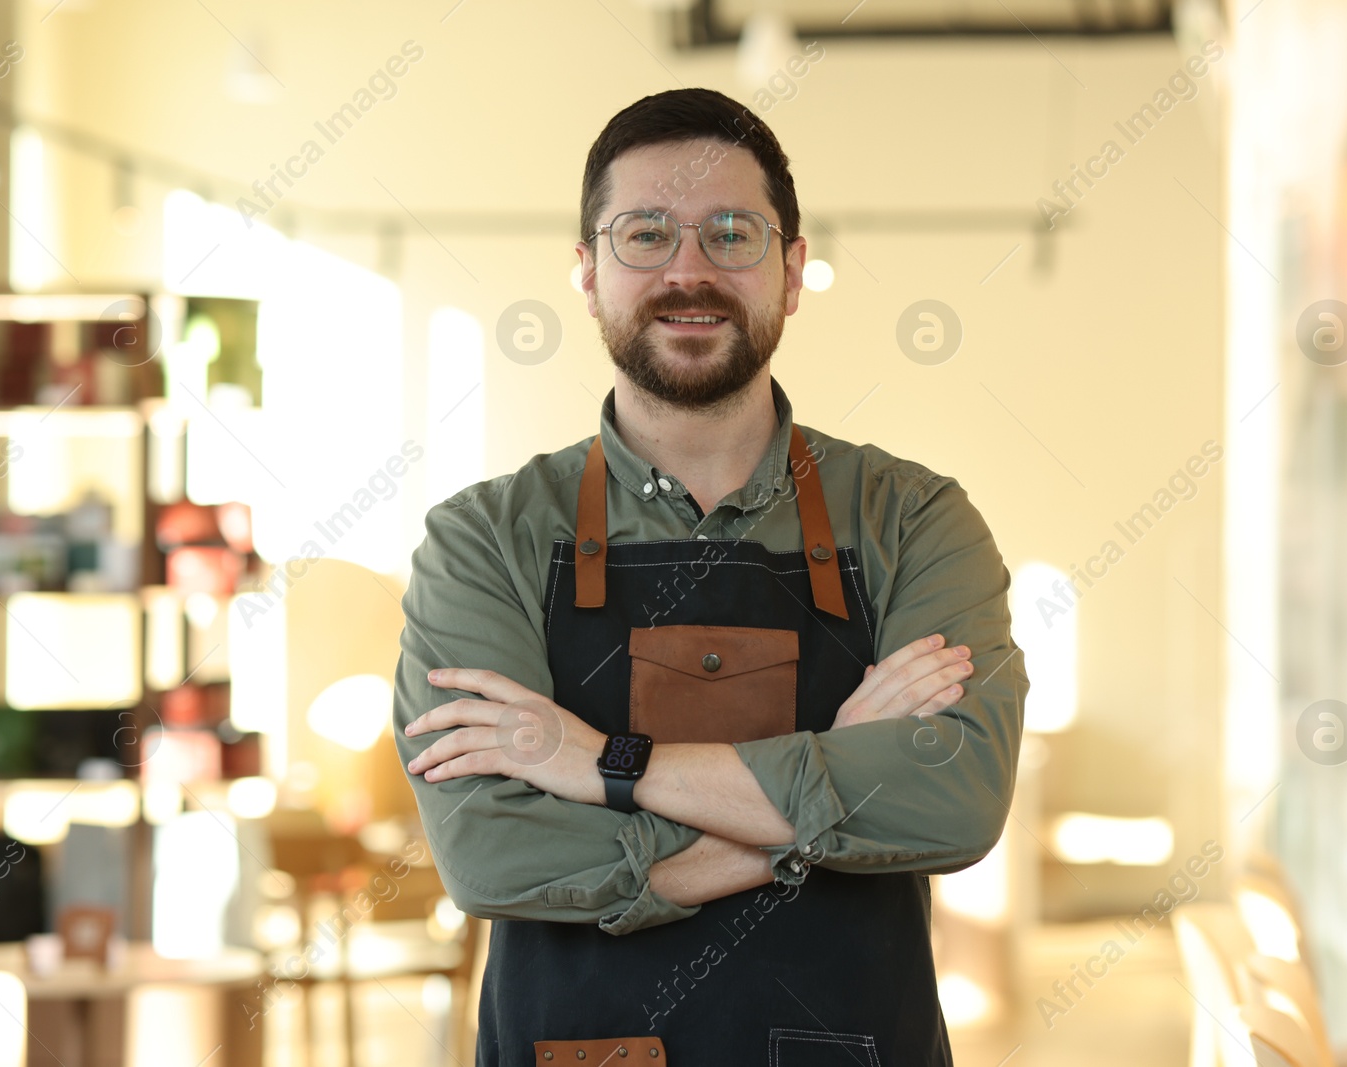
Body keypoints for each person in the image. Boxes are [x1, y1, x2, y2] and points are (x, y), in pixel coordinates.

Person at [392, 87, 1027, 1066]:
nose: (689, 270)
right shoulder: (485, 540)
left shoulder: (915, 519)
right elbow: (492, 855)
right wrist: (831, 777)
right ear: (589, 272)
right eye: (645, 233)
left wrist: (605, 763)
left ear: (794, 268)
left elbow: (953, 799)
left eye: (731, 233)